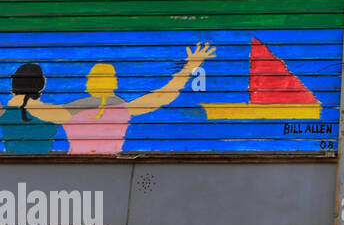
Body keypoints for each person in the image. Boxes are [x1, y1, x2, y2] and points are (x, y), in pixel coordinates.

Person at [11, 43, 217, 156]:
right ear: (115, 83)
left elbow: (34, 108)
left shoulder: (70, 110)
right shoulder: (124, 109)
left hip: (76, 169)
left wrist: (21, 96)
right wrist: (190, 67)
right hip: (112, 167)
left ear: (87, 84)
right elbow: (163, 95)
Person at [0, 63, 59, 155]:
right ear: (41, 84)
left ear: (14, 84)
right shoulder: (55, 112)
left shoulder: (3, 112)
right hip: (45, 164)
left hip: (12, 164)